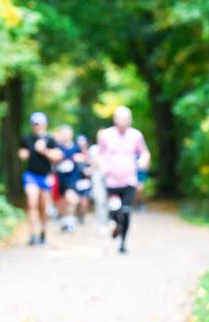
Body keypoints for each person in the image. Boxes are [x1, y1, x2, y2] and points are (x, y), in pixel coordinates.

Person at [97, 107, 150, 254]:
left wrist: (144, 161)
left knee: (126, 212)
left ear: (130, 120)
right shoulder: (106, 135)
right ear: (115, 119)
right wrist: (103, 166)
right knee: (114, 209)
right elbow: (99, 154)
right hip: (111, 181)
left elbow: (144, 152)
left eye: (126, 119)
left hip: (129, 180)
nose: (123, 122)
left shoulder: (136, 135)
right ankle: (115, 225)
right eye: (121, 119)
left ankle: (123, 242)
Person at [18, 112, 62, 246]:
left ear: (45, 124)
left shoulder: (50, 139)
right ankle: (32, 234)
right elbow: (22, 153)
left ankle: (43, 232)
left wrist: (44, 151)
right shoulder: (27, 138)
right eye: (35, 124)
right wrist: (23, 154)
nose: (38, 126)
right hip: (31, 175)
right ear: (32, 125)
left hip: (45, 176)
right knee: (32, 202)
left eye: (40, 123)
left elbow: (58, 157)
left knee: (44, 206)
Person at [52, 125, 84, 233]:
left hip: (72, 178)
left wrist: (79, 159)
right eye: (64, 133)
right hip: (60, 179)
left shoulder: (76, 148)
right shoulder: (57, 147)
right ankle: (65, 221)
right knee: (62, 202)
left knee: (72, 199)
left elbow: (82, 159)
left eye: (68, 133)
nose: (66, 135)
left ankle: (70, 221)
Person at [74, 134, 93, 223]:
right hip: (75, 181)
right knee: (76, 201)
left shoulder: (90, 154)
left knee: (84, 201)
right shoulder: (73, 153)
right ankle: (77, 215)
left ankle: (81, 216)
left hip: (86, 181)